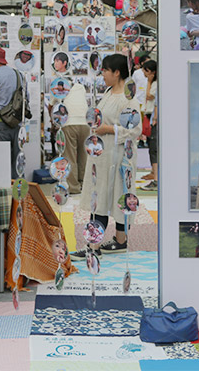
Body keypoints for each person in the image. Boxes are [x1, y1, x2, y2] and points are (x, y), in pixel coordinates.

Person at [71, 54, 142, 260]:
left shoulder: (128, 99)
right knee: (102, 193)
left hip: (118, 157)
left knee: (110, 196)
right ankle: (120, 241)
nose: (102, 74)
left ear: (116, 72)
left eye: (105, 70)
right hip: (103, 155)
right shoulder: (110, 92)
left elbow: (134, 129)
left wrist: (108, 129)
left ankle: (94, 245)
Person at [0, 47, 29, 179]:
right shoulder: (19, 74)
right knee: (18, 164)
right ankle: (19, 197)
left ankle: (5, 197)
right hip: (17, 125)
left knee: (1, 166)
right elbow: (26, 98)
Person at [61, 82, 90, 194]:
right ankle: (84, 184)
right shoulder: (80, 87)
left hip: (69, 124)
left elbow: (52, 106)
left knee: (70, 156)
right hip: (85, 123)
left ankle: (73, 187)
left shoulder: (59, 90)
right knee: (83, 156)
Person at [141, 60, 158, 188]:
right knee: (151, 146)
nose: (143, 73)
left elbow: (149, 96)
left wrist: (149, 82)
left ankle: (156, 177)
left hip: (153, 117)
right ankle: (154, 173)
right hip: (149, 116)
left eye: (145, 71)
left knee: (154, 147)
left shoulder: (155, 84)